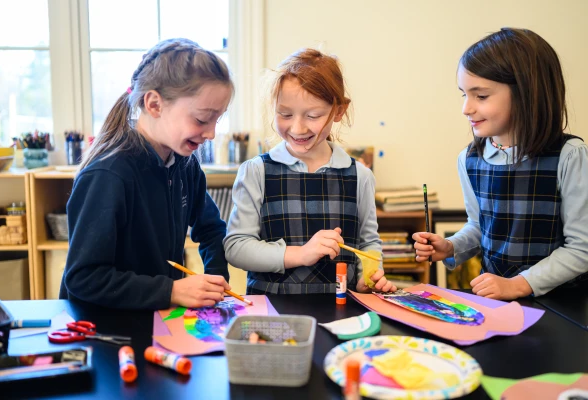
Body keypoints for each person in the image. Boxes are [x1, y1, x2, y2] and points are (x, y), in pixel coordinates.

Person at [413, 28, 588, 300]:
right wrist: (450, 247)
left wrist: (519, 284)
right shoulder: (469, 159)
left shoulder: (570, 155)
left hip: (560, 306)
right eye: (464, 94)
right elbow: (480, 226)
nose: (466, 108)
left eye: (480, 96)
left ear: (527, 93)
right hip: (495, 304)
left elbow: (581, 248)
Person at [60, 38, 232, 309]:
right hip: (105, 325)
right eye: (201, 119)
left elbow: (211, 229)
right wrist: (171, 291)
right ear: (154, 104)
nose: (210, 133)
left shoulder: (186, 164)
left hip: (159, 316)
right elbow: (84, 278)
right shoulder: (108, 175)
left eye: (216, 120)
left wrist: (216, 278)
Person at [224, 48, 395, 295]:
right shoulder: (256, 171)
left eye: (313, 115)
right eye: (285, 114)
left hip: (343, 312)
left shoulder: (360, 176)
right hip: (272, 313)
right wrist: (301, 254)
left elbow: (369, 243)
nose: (297, 127)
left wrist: (368, 278)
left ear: (339, 111)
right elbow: (237, 248)